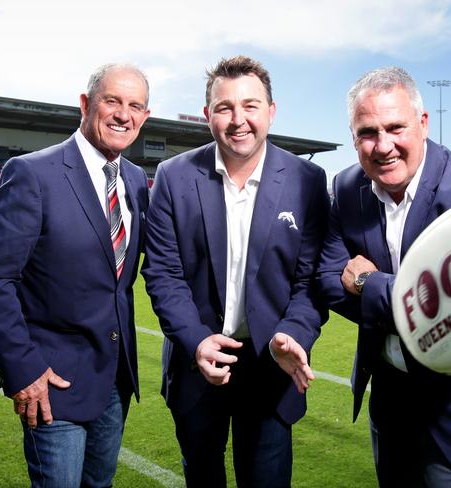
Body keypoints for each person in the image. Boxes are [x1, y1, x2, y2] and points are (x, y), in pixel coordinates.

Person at [317, 66, 451, 487]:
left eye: (395, 127)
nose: (383, 146)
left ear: (423, 123)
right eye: (367, 133)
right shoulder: (346, 187)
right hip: (390, 397)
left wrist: (368, 284)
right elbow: (326, 277)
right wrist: (418, 300)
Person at [141, 55, 329, 487]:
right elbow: (164, 274)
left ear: (271, 112)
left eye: (250, 106)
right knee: (202, 477)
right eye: (224, 108)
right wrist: (195, 340)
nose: (238, 120)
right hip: (197, 362)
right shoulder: (173, 176)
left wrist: (294, 334)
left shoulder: (308, 180)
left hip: (271, 364)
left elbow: (310, 281)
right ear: (208, 115)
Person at [0, 63, 151, 487]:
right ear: (86, 104)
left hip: (115, 381)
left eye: (135, 105)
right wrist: (23, 369)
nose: (123, 114)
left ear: (144, 117)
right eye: (112, 101)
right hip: (52, 382)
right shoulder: (32, 173)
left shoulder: (138, 181)